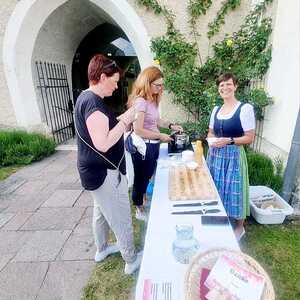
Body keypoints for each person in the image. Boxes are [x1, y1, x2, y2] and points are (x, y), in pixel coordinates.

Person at [74, 54, 142, 275]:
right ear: (102, 77)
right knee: (120, 215)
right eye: (114, 81)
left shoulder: (86, 98)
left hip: (93, 172)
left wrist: (122, 118)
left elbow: (104, 128)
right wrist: (126, 119)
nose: (116, 86)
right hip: (104, 173)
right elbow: (103, 143)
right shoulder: (93, 104)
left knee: (101, 213)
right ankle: (131, 259)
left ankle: (102, 249)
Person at [127, 66, 183, 221]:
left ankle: (144, 199)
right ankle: (138, 207)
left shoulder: (152, 99)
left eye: (162, 85)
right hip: (143, 147)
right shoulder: (140, 102)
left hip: (153, 144)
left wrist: (171, 125)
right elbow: (138, 130)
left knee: (148, 174)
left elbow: (156, 120)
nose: (160, 88)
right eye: (157, 85)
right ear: (147, 83)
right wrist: (160, 135)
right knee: (141, 178)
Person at [206, 73, 255, 240]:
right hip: (215, 154)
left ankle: (240, 227)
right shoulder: (216, 110)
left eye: (228, 84)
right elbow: (211, 131)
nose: (224, 88)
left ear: (235, 86)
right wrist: (211, 140)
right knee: (216, 187)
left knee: (236, 189)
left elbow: (249, 137)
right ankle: (221, 219)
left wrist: (230, 140)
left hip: (234, 155)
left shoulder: (244, 109)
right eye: (221, 85)